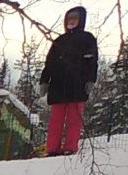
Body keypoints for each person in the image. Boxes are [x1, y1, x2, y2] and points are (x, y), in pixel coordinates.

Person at [43, 6, 101, 156]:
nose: (71, 21)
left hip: (78, 85)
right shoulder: (59, 41)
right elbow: (49, 63)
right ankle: (52, 149)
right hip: (58, 85)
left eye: (74, 18)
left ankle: (70, 147)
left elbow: (92, 62)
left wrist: (90, 80)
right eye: (69, 19)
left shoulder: (88, 39)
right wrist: (44, 80)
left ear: (81, 20)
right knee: (56, 119)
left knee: (74, 119)